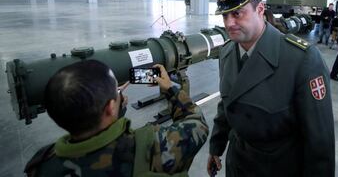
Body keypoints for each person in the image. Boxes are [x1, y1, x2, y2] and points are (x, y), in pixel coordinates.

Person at [206, 0, 335, 177]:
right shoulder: (227, 53)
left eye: (237, 13)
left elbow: (320, 141)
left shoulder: (301, 59)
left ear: (260, 9)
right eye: (224, 15)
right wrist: (216, 146)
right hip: (237, 164)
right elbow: (227, 106)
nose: (228, 23)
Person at [24, 60, 208, 176]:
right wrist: (170, 89)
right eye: (117, 91)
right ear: (110, 108)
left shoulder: (40, 164)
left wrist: (112, 116)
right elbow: (197, 122)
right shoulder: (154, 147)